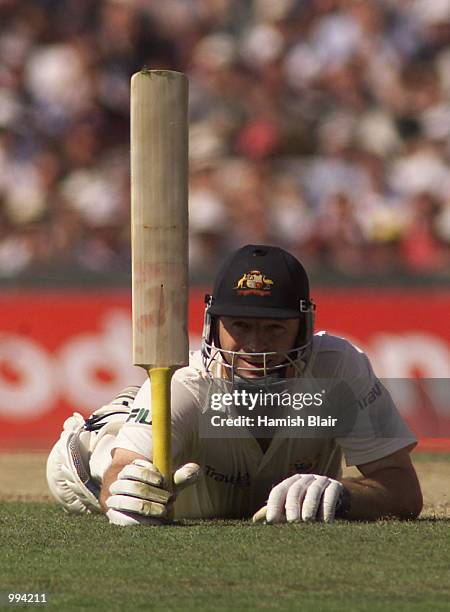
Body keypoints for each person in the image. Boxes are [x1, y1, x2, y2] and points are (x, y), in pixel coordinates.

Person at [47, 244, 422, 525]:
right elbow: (120, 475)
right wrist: (121, 492)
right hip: (95, 460)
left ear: (303, 326)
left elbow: (404, 490)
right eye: (240, 326)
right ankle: (112, 425)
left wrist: (342, 495)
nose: (255, 346)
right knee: (76, 471)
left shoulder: (339, 367)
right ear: (213, 325)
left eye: (274, 327)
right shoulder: (185, 384)